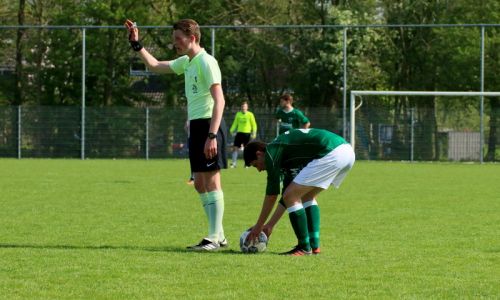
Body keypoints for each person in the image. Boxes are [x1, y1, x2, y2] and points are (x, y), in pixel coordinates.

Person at [125, 19, 227, 251]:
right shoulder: (187, 62)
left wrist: (212, 136)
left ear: (192, 38)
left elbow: (220, 100)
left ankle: (213, 237)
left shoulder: (206, 62)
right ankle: (218, 235)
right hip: (197, 127)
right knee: (200, 184)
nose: (175, 44)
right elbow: (156, 66)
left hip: (209, 125)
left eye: (178, 39)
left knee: (212, 182)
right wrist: (136, 45)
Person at [244, 128, 355, 256]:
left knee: (292, 196)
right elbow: (286, 196)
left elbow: (272, 196)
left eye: (255, 165)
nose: (258, 170)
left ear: (259, 154)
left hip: (332, 152)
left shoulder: (271, 153)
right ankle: (314, 245)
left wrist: (258, 226)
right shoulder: (283, 154)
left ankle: (304, 247)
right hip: (346, 151)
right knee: (306, 196)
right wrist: (269, 225)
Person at [229, 101, 257, 168]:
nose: (243, 108)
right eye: (242, 106)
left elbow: (254, 124)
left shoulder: (250, 114)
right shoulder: (238, 114)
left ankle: (247, 164)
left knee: (246, 149)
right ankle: (234, 163)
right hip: (239, 133)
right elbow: (235, 123)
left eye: (245, 106)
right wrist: (231, 130)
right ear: (241, 107)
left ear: (247, 107)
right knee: (235, 148)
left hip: (247, 134)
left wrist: (254, 133)